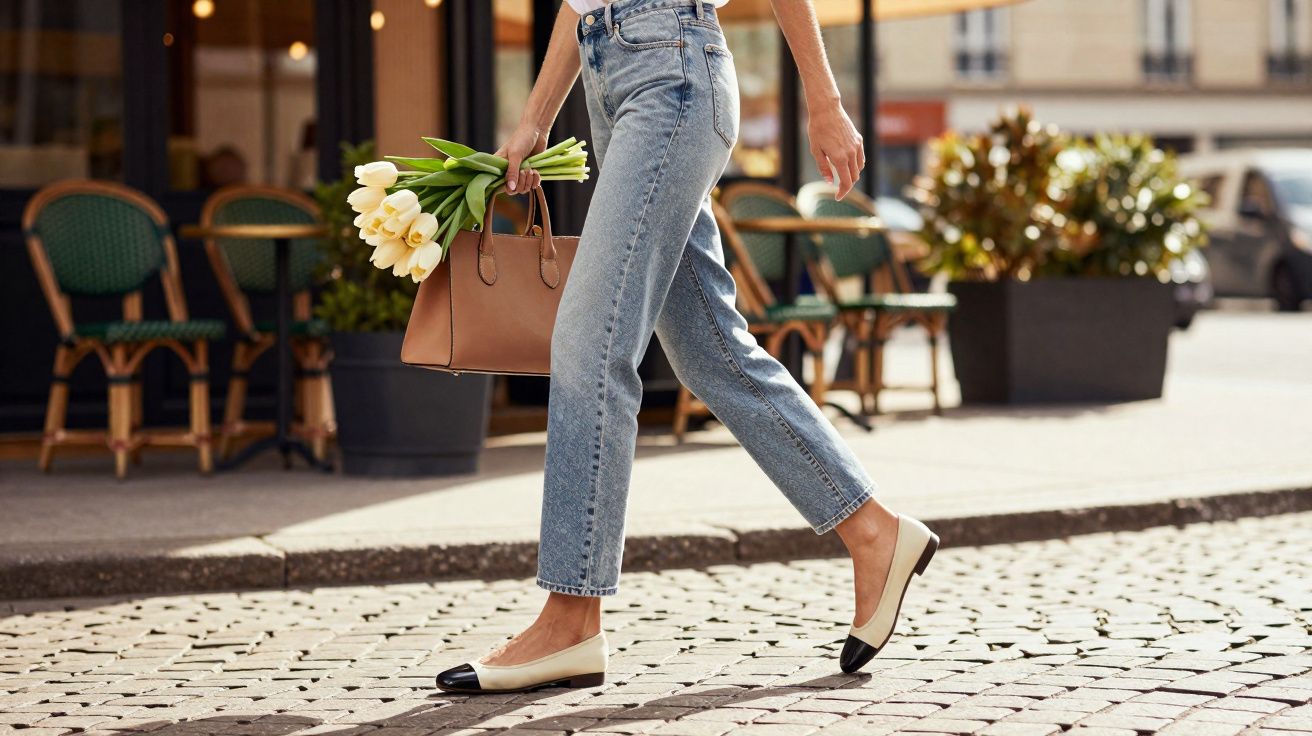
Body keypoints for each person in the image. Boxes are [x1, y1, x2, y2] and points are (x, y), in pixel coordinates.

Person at [435, 0, 939, 694]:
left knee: (588, 346)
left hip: (671, 71)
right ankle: (873, 530)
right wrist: (533, 119)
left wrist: (824, 101)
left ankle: (571, 618)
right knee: (710, 352)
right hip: (614, 79)